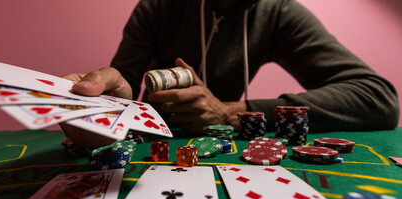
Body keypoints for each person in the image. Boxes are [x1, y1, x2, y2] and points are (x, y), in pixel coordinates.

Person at [61, 0, 399, 148]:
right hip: (156, 144)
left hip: (227, 143)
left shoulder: (279, 11)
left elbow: (379, 99)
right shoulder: (160, 5)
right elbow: (123, 84)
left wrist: (231, 112)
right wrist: (107, 104)